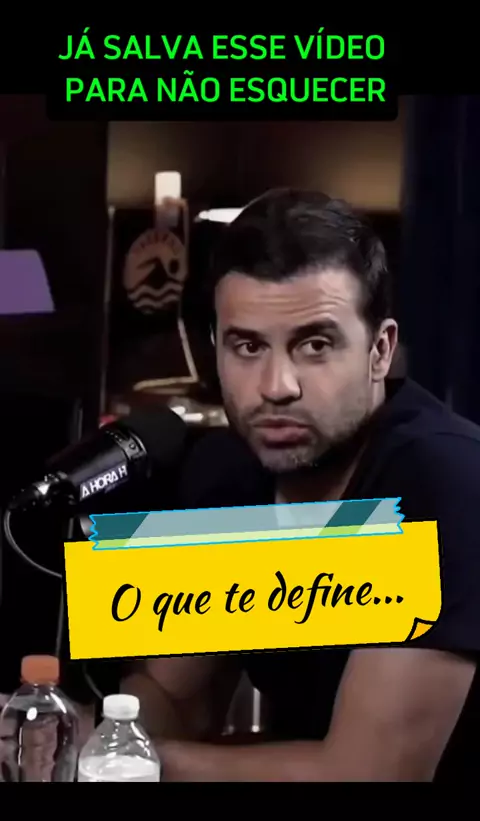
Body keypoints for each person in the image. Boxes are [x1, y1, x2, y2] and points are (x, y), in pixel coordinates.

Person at [122, 188, 480, 782]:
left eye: (315, 345)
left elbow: (369, 776)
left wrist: (121, 761)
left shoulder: (446, 479)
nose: (276, 386)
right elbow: (173, 697)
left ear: (380, 351)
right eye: (248, 346)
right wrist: (84, 729)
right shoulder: (226, 469)